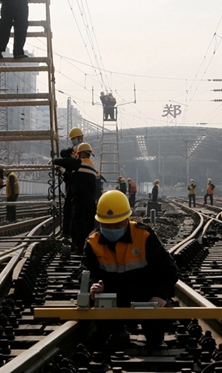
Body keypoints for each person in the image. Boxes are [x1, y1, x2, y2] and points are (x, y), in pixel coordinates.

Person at [84, 190, 178, 351]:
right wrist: (92, 286)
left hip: (145, 296)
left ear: (127, 219)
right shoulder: (93, 242)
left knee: (160, 322)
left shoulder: (143, 235)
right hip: (113, 298)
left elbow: (168, 269)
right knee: (97, 311)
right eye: (106, 225)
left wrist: (160, 294)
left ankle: (154, 336)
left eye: (117, 224)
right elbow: (87, 270)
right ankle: (117, 332)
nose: (112, 228)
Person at [65, 142, 99, 252]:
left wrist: (56, 161)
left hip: (80, 201)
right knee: (88, 225)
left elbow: (69, 163)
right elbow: (75, 179)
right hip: (90, 201)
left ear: (81, 154)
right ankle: (87, 246)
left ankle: (79, 247)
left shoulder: (81, 163)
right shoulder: (91, 166)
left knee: (78, 224)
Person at [54, 129, 83, 237]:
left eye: (74, 139)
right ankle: (66, 233)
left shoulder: (83, 150)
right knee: (67, 209)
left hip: (78, 183)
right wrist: (72, 149)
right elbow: (62, 153)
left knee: (75, 211)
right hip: (70, 182)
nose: (73, 141)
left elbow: (71, 163)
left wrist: (57, 161)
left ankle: (73, 235)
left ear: (80, 138)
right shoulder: (73, 151)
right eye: (72, 140)